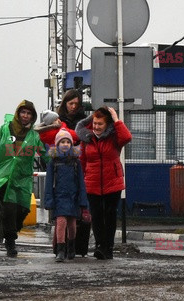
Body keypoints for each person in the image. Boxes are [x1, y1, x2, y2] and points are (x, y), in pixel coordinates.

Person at [0, 100, 48, 257]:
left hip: (23, 177)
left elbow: (44, 152)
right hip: (4, 177)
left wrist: (55, 163)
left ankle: (13, 230)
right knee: (9, 209)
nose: (25, 116)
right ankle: (10, 242)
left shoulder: (34, 135)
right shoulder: (4, 130)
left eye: (29, 113)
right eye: (23, 112)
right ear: (18, 113)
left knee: (23, 209)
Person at [75, 106, 132, 260]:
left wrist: (115, 117)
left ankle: (109, 247)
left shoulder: (114, 137)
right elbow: (82, 160)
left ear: (107, 125)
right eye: (94, 123)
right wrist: (81, 180)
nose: (96, 127)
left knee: (110, 214)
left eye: (100, 124)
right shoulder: (87, 139)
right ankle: (100, 246)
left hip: (112, 182)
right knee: (97, 215)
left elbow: (127, 137)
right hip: (92, 182)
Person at [44, 129, 89, 262]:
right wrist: (49, 200)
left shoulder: (76, 162)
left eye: (67, 142)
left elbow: (81, 182)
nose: (65, 144)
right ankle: (60, 250)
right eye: (62, 142)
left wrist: (82, 200)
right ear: (57, 144)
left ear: (71, 144)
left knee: (72, 224)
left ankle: (71, 247)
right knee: (61, 222)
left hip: (73, 197)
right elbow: (49, 183)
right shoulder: (53, 162)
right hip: (59, 197)